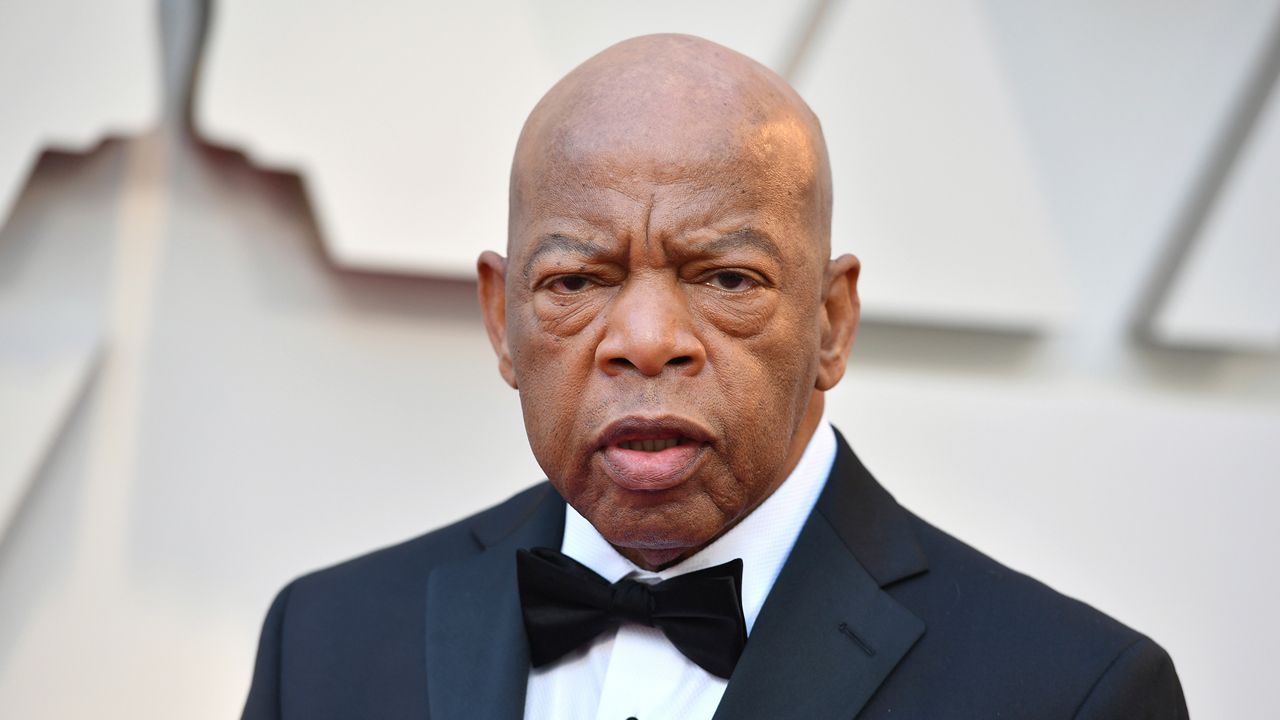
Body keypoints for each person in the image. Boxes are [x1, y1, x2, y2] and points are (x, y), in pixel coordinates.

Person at [241, 34, 1188, 719]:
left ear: (830, 320)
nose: (647, 342)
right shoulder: (325, 645)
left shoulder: (1070, 694)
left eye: (727, 278)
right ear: (503, 319)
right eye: (577, 280)